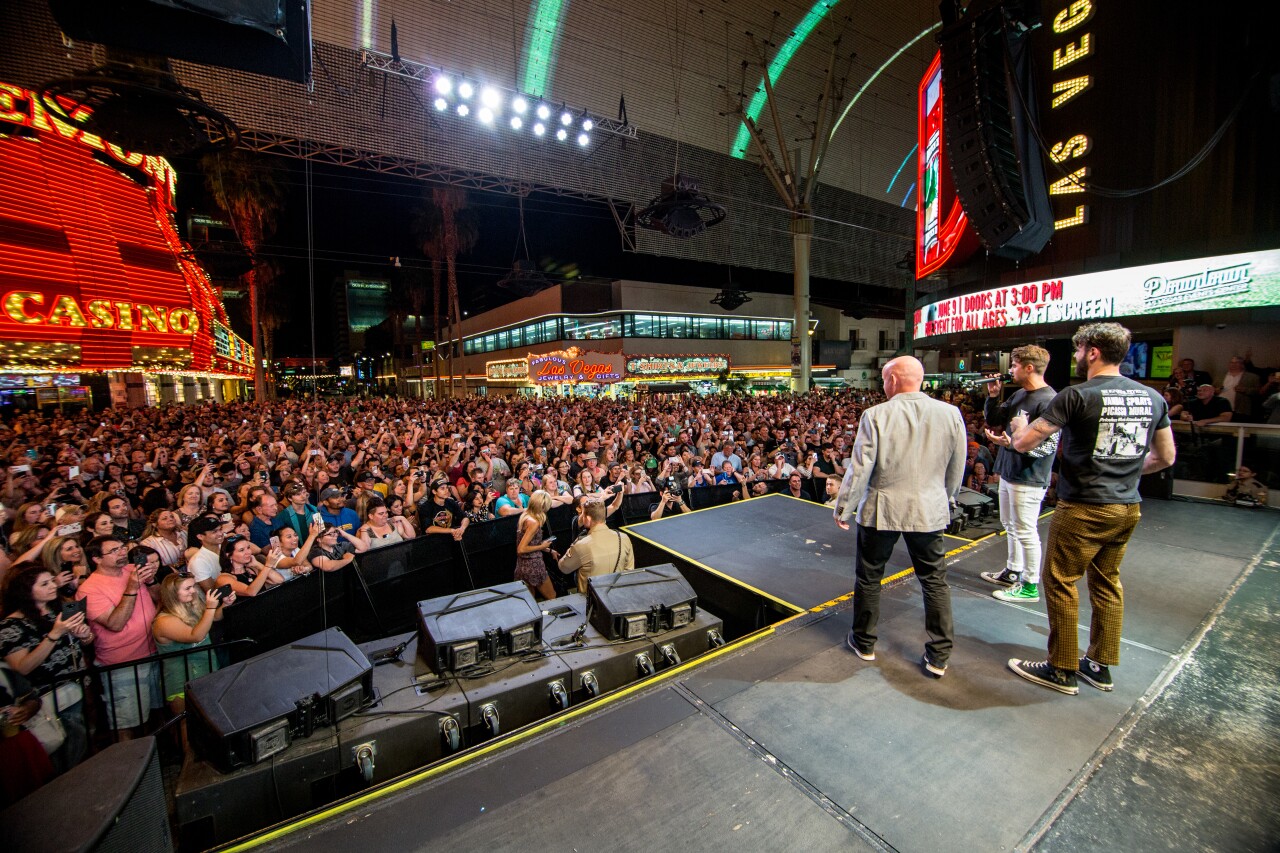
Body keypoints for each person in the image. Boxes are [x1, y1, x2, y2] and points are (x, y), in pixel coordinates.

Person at [1005, 322, 1176, 695]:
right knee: (1107, 583)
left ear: (1093, 351)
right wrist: (1126, 471)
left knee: (1061, 582)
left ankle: (1061, 667)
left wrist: (1019, 426)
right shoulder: (1153, 397)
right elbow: (1165, 456)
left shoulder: (1075, 395)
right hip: (1127, 506)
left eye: (1080, 351)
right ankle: (1099, 665)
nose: (1078, 357)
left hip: (1083, 506)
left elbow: (1024, 443)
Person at [833, 356, 966, 678]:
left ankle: (864, 642)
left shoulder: (876, 415)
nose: (882, 385)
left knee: (869, 578)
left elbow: (860, 467)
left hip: (882, 509)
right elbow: (956, 465)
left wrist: (844, 506)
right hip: (928, 510)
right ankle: (939, 655)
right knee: (934, 581)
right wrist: (943, 498)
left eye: (883, 379)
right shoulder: (950, 414)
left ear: (892, 380)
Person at [980, 344, 1058, 603]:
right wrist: (993, 396)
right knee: (1010, 525)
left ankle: (1030, 585)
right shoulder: (1019, 395)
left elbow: (1048, 447)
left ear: (1028, 367)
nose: (1010, 370)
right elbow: (994, 420)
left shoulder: (1049, 401)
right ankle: (1012, 571)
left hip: (1029, 475)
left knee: (1025, 529)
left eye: (1013, 365)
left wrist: (1012, 444)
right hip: (1009, 470)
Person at [0, 563, 94, 773]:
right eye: (44, 584)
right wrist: (55, 634)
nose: (53, 585)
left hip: (74, 690)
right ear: (24, 591)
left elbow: (85, 642)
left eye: (52, 580)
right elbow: (22, 667)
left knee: (79, 750)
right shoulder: (10, 627)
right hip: (45, 700)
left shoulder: (58, 610)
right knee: (58, 757)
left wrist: (85, 635)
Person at [76, 535, 161, 738]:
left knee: (154, 714)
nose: (122, 552)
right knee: (127, 722)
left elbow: (159, 598)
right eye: (114, 550)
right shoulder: (89, 589)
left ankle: (154, 761)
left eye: (122, 547)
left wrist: (151, 581)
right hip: (124, 663)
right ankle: (130, 766)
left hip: (154, 652)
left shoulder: (132, 570)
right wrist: (132, 587)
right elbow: (115, 623)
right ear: (96, 559)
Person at [151, 574, 231, 746]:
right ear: (172, 594)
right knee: (188, 726)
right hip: (182, 681)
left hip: (205, 673)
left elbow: (212, 619)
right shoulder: (164, 621)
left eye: (193, 586)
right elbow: (197, 635)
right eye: (187, 588)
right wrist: (210, 608)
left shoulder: (191, 607)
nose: (193, 591)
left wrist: (224, 605)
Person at [558, 499, 635, 594]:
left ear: (588, 519)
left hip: (592, 600)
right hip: (618, 595)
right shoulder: (623, 538)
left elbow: (563, 567)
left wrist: (574, 544)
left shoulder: (581, 544)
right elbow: (629, 570)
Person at [514, 491, 558, 600]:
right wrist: (542, 547)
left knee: (530, 602)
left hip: (522, 566)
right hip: (534, 566)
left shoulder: (525, 516)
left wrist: (549, 550)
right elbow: (521, 549)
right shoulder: (533, 522)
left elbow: (531, 544)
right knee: (552, 597)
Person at [216, 536, 284, 598]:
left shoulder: (252, 569)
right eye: (241, 550)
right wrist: (268, 565)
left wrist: (257, 564)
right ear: (229, 555)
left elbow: (279, 580)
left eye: (248, 548)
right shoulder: (223, 578)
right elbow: (250, 592)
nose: (248, 552)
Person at [1219, 355, 1260, 420]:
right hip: (1220, 409)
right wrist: (1216, 390)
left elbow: (1258, 392)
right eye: (1231, 362)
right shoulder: (1220, 376)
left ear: (1242, 364)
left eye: (1236, 363)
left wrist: (1245, 390)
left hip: (1240, 410)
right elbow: (1212, 388)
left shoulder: (1252, 377)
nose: (1233, 365)